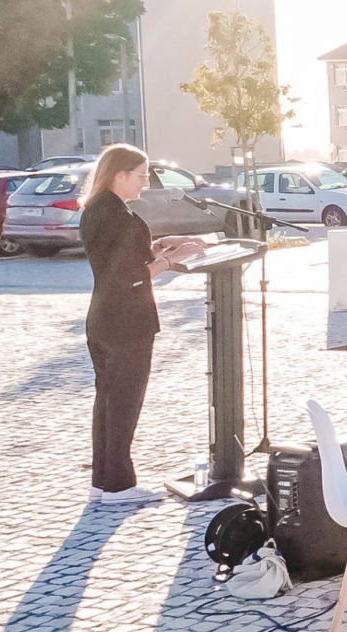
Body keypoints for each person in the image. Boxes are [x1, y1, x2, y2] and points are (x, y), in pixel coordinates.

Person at [80, 143, 206, 504]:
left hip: (103, 318)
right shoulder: (116, 214)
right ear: (119, 175)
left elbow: (123, 255)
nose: (145, 182)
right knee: (123, 402)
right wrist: (168, 263)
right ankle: (119, 486)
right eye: (140, 175)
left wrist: (168, 244)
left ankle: (102, 482)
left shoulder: (98, 208)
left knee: (106, 401)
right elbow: (130, 276)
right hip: (126, 321)